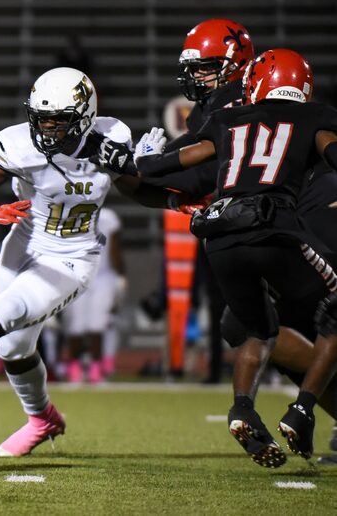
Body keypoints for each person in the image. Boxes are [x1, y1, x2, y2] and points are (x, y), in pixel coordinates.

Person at [0, 67, 204, 457]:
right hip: (22, 247)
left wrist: (176, 200)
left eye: (58, 120)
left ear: (84, 116)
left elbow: (135, 190)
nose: (46, 128)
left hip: (72, 258)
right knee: (13, 348)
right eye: (41, 117)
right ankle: (43, 418)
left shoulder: (112, 136)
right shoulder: (17, 143)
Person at [131, 49, 337, 467]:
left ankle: (242, 408)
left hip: (220, 240)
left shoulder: (227, 120)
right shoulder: (314, 116)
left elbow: (172, 164)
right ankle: (303, 410)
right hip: (275, 230)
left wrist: (143, 160)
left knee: (253, 329)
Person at [61, 206, 125, 383]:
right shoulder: (71, 213)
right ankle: (74, 367)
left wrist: (120, 276)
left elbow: (115, 249)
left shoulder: (108, 216)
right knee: (77, 326)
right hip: (77, 275)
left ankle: (96, 368)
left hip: (103, 276)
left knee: (98, 325)